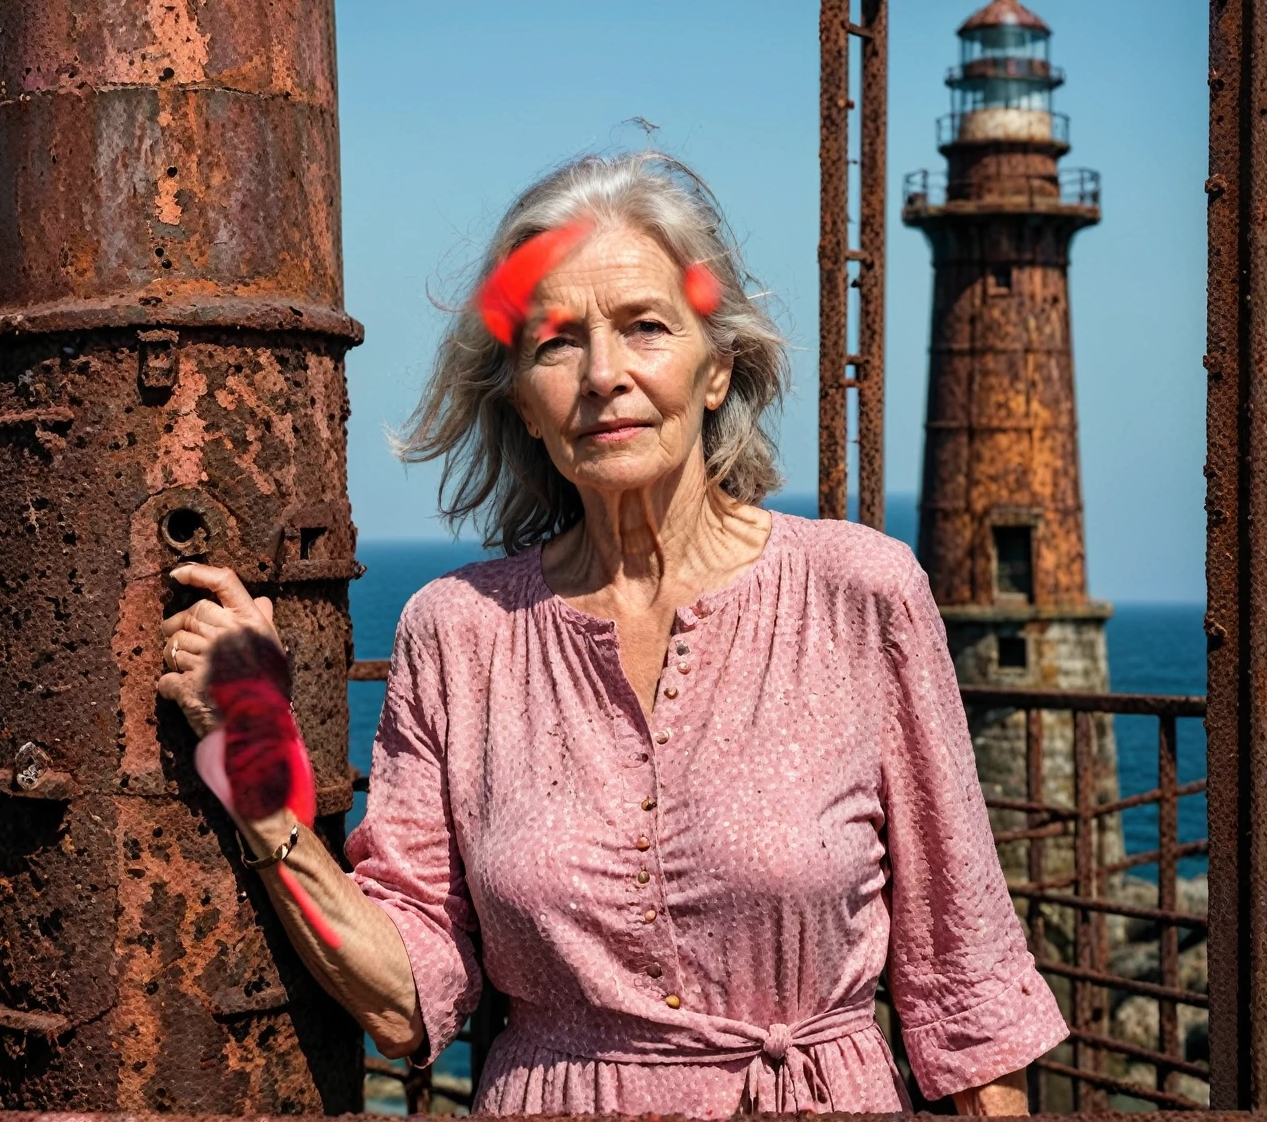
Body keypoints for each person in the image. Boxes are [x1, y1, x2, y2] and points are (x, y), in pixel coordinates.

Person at [158, 152, 1067, 1116]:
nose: (603, 376)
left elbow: (965, 986)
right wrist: (250, 746)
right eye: (555, 342)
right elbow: (402, 998)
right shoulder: (457, 633)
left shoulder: (861, 594)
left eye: (645, 327)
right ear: (520, 398)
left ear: (717, 369)